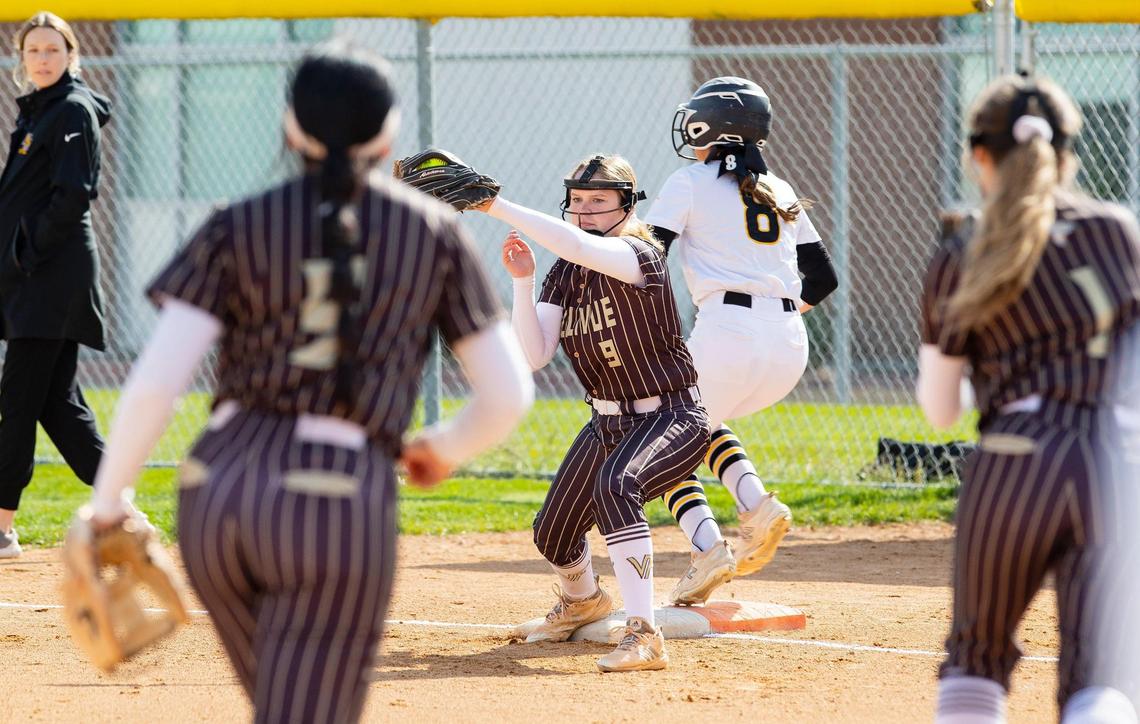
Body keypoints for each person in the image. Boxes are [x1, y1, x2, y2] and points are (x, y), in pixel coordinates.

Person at [77, 45, 533, 722]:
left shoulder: (238, 222)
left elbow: (154, 384)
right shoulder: (431, 231)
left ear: (292, 128)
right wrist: (443, 447)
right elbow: (509, 394)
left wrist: (108, 504)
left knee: (284, 706)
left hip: (216, 493)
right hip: (337, 500)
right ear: (388, 135)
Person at [917, 74, 1140, 723]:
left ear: (978, 157)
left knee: (975, 660)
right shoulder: (1116, 230)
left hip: (1016, 455)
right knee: (1102, 675)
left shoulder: (964, 248)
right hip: (1113, 459)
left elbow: (940, 411)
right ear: (1068, 156)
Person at [487, 154, 710, 672]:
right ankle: (582, 602)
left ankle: (644, 635)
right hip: (606, 420)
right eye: (578, 201)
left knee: (616, 485)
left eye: (599, 201)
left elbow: (579, 244)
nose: (584, 211)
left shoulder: (639, 253)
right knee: (553, 534)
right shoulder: (565, 272)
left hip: (671, 416)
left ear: (627, 205)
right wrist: (523, 281)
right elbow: (536, 353)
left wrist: (495, 206)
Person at [645, 76, 838, 604]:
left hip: (727, 332)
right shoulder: (780, 188)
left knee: (658, 429)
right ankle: (755, 503)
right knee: (701, 417)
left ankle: (708, 548)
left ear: (714, 126)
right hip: (789, 344)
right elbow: (823, 280)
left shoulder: (688, 180)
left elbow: (648, 257)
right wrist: (772, 316)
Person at [0, 12, 112, 559]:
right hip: (35, 278)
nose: (42, 58)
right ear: (22, 59)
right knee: (56, 403)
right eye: (33, 50)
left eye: (52, 49)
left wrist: (24, 253)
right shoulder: (40, 111)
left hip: (50, 278)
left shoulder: (71, 109)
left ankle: (1, 527)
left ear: (71, 53)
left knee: (18, 399)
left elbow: (75, 194)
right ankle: (121, 507)